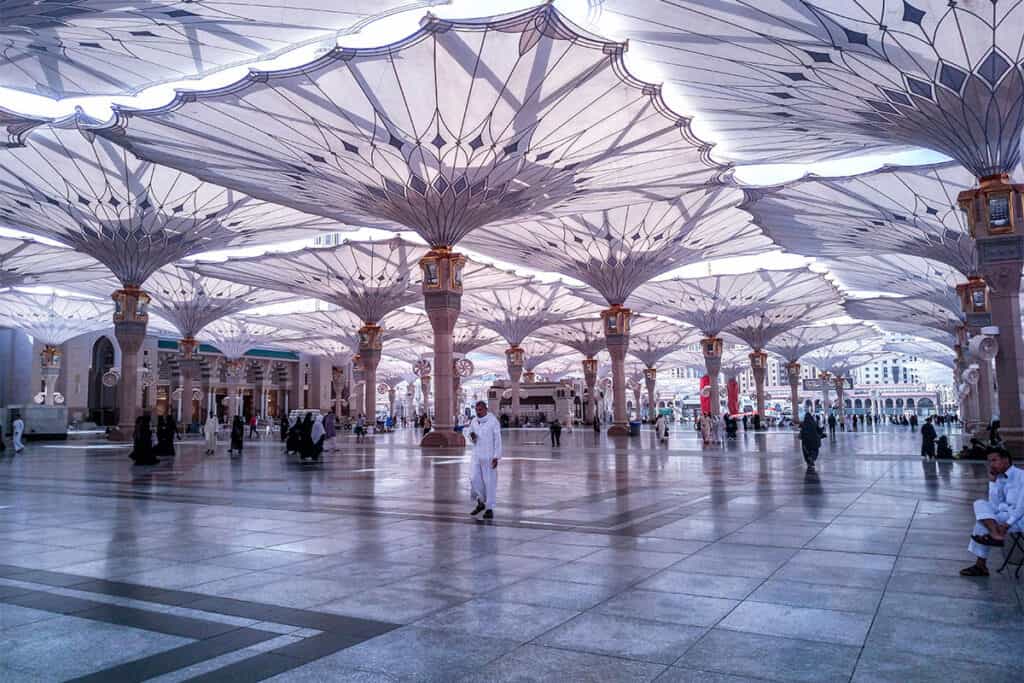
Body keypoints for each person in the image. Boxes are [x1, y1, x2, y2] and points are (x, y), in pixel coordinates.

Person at [960, 447, 1023, 576]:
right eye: (989, 461)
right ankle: (995, 534)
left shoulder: (1022, 477)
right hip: (1004, 515)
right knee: (980, 504)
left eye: (994, 460)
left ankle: (980, 565)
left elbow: (1022, 508)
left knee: (981, 523)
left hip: (1019, 519)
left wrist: (1007, 524)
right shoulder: (999, 478)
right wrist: (993, 482)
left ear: (1006, 460)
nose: (991, 465)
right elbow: (994, 505)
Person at [468, 401, 502, 519]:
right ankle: (481, 501)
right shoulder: (473, 421)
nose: (478, 412)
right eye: (477, 410)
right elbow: (469, 433)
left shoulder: (493, 422)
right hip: (476, 455)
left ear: (485, 409)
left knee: (489, 482)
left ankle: (489, 508)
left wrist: (496, 456)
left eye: (480, 409)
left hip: (489, 457)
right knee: (474, 479)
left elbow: (498, 439)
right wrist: (471, 436)